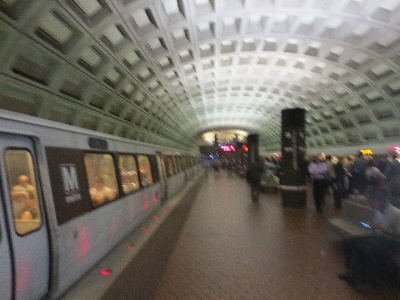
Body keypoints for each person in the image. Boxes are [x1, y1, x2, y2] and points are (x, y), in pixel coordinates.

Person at [338, 190, 400, 292]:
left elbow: (398, 235)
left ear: (382, 200)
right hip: (379, 237)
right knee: (349, 242)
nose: (371, 204)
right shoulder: (379, 210)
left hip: (393, 242)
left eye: (373, 201)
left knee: (366, 250)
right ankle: (351, 272)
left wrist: (379, 227)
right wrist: (369, 226)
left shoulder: (397, 213)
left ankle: (369, 281)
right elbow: (377, 227)